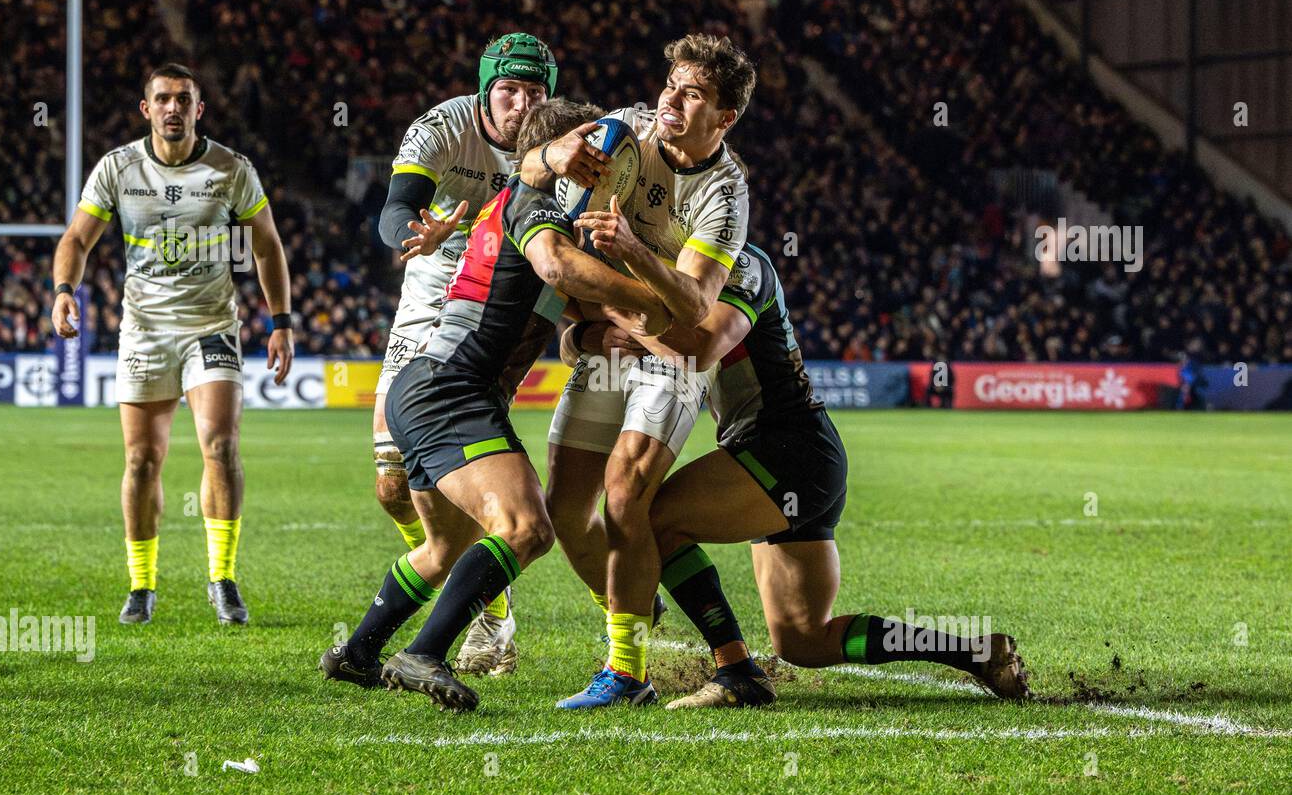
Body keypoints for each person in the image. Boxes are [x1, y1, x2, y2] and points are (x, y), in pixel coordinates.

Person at [561, 244, 1031, 707]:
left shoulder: (742, 266)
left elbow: (700, 348)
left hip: (785, 449)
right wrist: (588, 336)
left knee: (650, 516)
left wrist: (616, 309)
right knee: (803, 639)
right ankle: (975, 652)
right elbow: (572, 339)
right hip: (789, 459)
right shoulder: (673, 271)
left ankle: (735, 669)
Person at [321, 99, 671, 712]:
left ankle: (357, 652)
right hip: (449, 389)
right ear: (564, 157)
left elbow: (565, 319)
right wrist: (655, 295)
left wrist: (597, 332)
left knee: (443, 549)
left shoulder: (521, 210)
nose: (603, 173)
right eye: (594, 161)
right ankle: (423, 653)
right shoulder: (532, 209)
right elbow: (556, 267)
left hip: (433, 388)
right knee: (527, 527)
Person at [529, 35, 755, 692]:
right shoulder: (626, 130)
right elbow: (536, 172)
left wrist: (630, 248)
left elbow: (693, 304)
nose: (672, 100)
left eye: (693, 94)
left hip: (669, 355)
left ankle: (624, 669)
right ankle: (632, 606)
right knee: (563, 510)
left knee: (626, 492)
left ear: (724, 118)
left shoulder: (726, 194)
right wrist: (554, 154)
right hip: (612, 333)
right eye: (671, 85)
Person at [51, 63, 293, 626]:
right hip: (144, 330)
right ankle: (142, 585)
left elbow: (267, 247)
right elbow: (76, 239)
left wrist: (281, 321)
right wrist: (65, 290)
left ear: (198, 109)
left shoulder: (232, 169)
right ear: (147, 108)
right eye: (163, 99)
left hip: (211, 325)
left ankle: (223, 579)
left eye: (184, 99)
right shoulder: (118, 168)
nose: (173, 108)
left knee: (220, 446)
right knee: (140, 459)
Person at [372, 33, 580, 674]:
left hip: (495, 307)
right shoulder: (442, 125)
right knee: (390, 485)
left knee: (466, 477)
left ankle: (486, 614)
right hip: (432, 290)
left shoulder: (561, 148)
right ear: (487, 88)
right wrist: (420, 232)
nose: (521, 104)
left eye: (534, 93)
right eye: (509, 90)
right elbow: (395, 210)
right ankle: (468, 581)